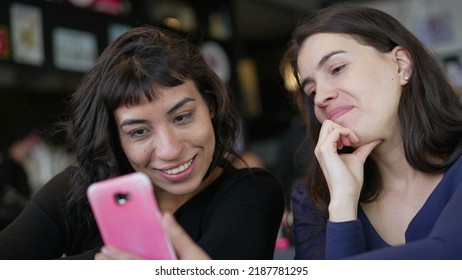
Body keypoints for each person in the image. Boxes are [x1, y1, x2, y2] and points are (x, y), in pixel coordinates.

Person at [0, 25, 284, 260]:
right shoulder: (76, 190)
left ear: (210, 106)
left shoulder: (252, 191)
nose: (170, 149)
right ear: (116, 137)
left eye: (182, 117)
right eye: (138, 132)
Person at [280, 5, 462, 259]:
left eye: (337, 68)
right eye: (311, 91)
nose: (320, 97)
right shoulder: (314, 201)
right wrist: (343, 202)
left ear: (400, 65)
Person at [0, 123, 42, 230]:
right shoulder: (8, 166)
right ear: (31, 138)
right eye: (36, 141)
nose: (36, 146)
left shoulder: (16, 166)